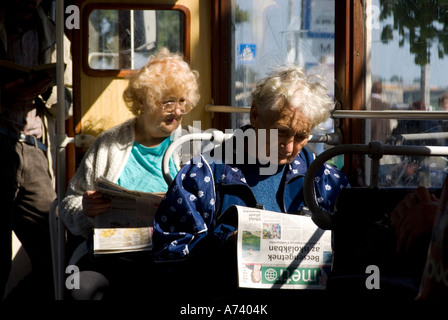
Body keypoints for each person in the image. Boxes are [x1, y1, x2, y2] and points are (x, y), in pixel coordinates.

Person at [152, 66, 350, 298]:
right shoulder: (203, 174)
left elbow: (351, 249)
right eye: (280, 132)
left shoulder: (322, 178)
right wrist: (225, 245)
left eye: (301, 137)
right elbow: (169, 253)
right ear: (254, 114)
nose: (289, 146)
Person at [59, 47, 200, 299]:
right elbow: (68, 204)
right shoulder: (109, 144)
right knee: (79, 288)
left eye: (183, 102)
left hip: (165, 256)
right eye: (169, 102)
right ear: (144, 101)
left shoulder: (190, 146)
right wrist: (85, 208)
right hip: (108, 258)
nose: (178, 111)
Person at [0, 0, 72, 300]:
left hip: (33, 147)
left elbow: (67, 100)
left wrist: (46, 91)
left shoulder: (53, 35)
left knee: (56, 256)